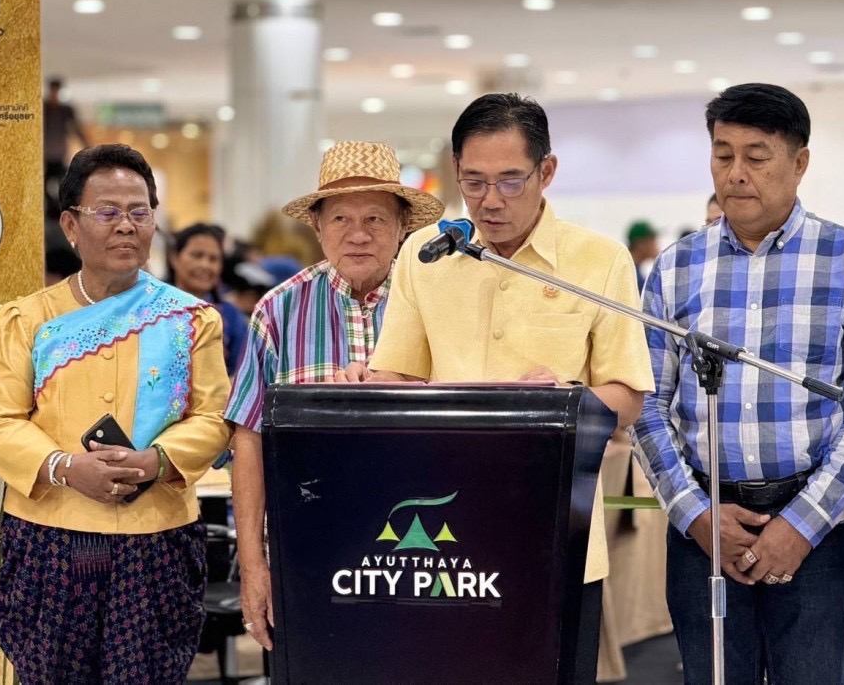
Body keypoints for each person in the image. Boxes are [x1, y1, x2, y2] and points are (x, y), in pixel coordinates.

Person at [344, 93, 654, 683]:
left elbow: (627, 398)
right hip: (439, 537)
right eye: (473, 182)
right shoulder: (425, 253)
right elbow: (401, 374)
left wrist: (569, 400)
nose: (489, 201)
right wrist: (370, 387)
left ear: (547, 172)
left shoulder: (600, 262)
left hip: (556, 534)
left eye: (510, 181)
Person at [631, 83, 844, 685]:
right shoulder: (675, 267)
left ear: (799, 162)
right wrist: (694, 513)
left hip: (816, 525)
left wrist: (800, 524)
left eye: (757, 155)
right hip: (704, 522)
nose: (737, 173)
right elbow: (647, 402)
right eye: (723, 155)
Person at [0, 144, 232, 684]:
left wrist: (153, 462)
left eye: (139, 212)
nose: (126, 226)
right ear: (71, 225)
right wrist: (66, 467)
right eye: (109, 212)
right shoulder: (28, 319)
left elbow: (214, 417)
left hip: (158, 540)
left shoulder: (192, 320)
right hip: (51, 538)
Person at [224, 140, 444, 651]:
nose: (358, 234)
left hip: (427, 547)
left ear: (404, 226)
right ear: (318, 227)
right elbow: (248, 441)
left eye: (375, 218)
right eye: (341, 218)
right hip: (310, 549)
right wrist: (255, 568)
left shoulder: (440, 305)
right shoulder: (277, 312)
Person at [168, 222, 249, 376]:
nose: (205, 265)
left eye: (213, 259)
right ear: (174, 258)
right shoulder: (153, 308)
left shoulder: (231, 316)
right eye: (197, 255)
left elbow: (243, 374)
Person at [42, 77, 91, 191]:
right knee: (44, 186)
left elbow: (75, 128)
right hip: (45, 155)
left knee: (62, 185)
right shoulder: (44, 108)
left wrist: (87, 145)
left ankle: (58, 206)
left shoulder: (65, 110)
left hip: (59, 153)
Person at [626, 220, 660, 291]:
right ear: (640, 244)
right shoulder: (631, 276)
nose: (656, 244)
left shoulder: (630, 269)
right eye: (652, 239)